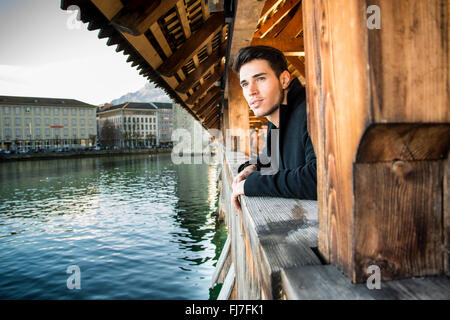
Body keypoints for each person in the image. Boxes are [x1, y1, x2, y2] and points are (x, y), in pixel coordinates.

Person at [231, 46, 317, 210]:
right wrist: (252, 168)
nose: (251, 91)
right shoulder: (277, 119)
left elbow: (317, 179)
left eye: (260, 79)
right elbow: (273, 160)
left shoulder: (311, 110)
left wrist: (251, 185)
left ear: (284, 80)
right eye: (245, 84)